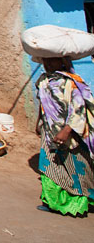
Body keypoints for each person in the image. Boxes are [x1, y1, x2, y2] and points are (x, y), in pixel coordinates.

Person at [35, 55, 94, 216]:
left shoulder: (72, 83)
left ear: (62, 61)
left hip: (70, 135)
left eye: (51, 60)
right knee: (49, 167)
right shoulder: (43, 81)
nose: (47, 63)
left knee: (75, 170)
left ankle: (76, 205)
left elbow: (78, 109)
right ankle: (52, 201)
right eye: (45, 60)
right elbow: (43, 104)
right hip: (49, 132)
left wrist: (66, 130)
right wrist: (39, 122)